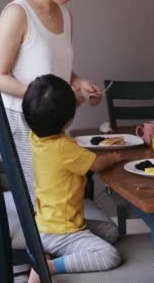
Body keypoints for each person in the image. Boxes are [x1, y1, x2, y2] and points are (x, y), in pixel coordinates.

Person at [0, 0, 118, 281]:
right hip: (20, 120)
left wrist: (78, 83)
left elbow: (57, 69)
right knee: (42, 198)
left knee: (49, 199)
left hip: (47, 124)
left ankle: (40, 263)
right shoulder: (18, 13)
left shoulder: (65, 15)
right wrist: (47, 96)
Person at [22, 74, 122, 282]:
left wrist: (70, 102)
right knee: (110, 255)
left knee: (112, 232)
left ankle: (48, 252)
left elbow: (51, 115)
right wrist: (114, 157)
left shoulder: (35, 137)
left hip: (45, 223)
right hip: (62, 231)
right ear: (68, 119)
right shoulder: (64, 147)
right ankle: (49, 266)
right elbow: (97, 163)